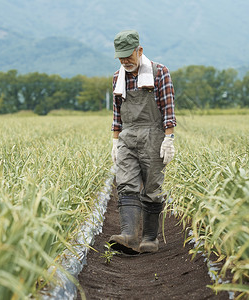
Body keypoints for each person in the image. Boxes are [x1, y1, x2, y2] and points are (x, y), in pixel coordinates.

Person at [109, 30, 176, 254]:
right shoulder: (118, 78)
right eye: (121, 57)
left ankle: (149, 237)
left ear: (140, 51)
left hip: (153, 135)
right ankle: (129, 235)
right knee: (125, 183)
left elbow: (168, 107)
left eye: (128, 56)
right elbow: (117, 113)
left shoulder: (159, 72)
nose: (125, 61)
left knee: (152, 187)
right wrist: (115, 141)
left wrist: (169, 138)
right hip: (128, 136)